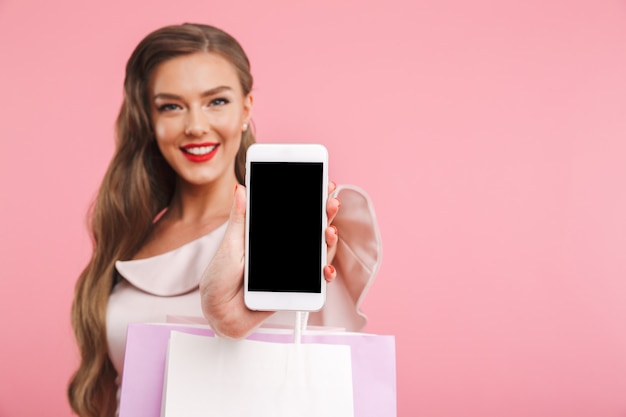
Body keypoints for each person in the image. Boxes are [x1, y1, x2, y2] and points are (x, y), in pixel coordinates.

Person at [68, 23, 382, 417]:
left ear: (246, 108)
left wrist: (227, 326)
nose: (195, 125)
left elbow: (325, 377)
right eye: (171, 105)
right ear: (149, 118)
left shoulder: (290, 228)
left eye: (216, 101)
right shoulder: (130, 238)